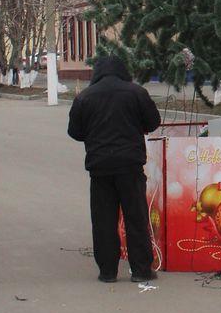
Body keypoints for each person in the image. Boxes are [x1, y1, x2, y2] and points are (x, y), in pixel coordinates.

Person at [67, 54, 161, 283]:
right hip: (130, 166)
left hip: (100, 168)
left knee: (103, 220)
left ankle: (107, 271)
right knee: (136, 217)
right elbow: (153, 122)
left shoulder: (85, 97)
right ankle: (140, 270)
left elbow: (75, 132)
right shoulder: (136, 92)